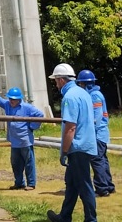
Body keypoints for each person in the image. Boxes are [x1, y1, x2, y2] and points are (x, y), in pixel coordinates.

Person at [46, 64, 98, 222]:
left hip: (78, 146)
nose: (55, 84)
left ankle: (91, 219)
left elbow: (70, 127)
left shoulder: (69, 97)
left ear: (61, 80)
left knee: (84, 185)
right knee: (72, 183)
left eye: (56, 81)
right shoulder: (83, 93)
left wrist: (64, 151)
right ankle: (65, 215)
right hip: (87, 143)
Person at [0, 82, 44, 190]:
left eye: (14, 99)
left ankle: (31, 184)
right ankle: (19, 183)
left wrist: (32, 126)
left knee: (29, 163)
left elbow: (40, 115)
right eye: (10, 98)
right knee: (16, 164)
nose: (11, 101)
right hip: (14, 141)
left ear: (19, 99)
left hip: (25, 140)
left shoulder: (27, 107)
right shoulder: (7, 105)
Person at [76, 70, 116, 197]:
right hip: (102, 134)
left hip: (97, 134)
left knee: (97, 160)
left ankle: (102, 188)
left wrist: (88, 130)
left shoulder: (94, 96)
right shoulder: (95, 94)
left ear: (85, 84)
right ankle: (109, 185)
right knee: (102, 160)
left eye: (80, 84)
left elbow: (96, 117)